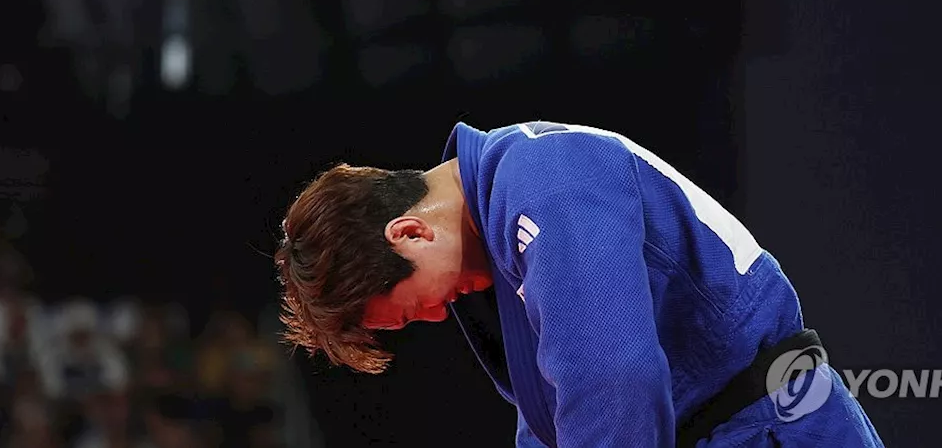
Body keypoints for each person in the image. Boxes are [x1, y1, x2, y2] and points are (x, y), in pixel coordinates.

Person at [275, 121, 886, 447]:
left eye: (409, 313)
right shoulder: (503, 229)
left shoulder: (546, 179)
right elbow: (558, 418)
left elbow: (611, 379)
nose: (435, 318)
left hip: (770, 429)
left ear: (408, 233)